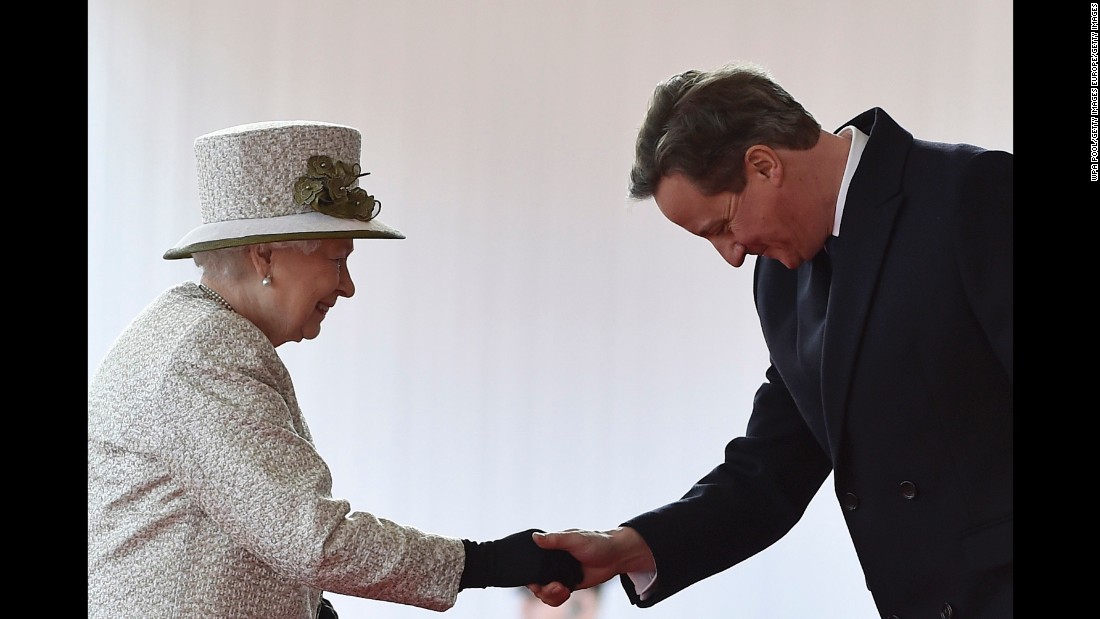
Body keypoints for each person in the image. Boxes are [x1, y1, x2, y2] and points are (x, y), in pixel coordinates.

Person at [530, 61, 1012, 618]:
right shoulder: (781, 279)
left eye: (723, 225)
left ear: (763, 165)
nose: (732, 254)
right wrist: (627, 547)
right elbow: (772, 469)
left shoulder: (974, 193)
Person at [88, 120, 581, 618]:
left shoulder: (191, 334)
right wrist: (489, 563)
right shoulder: (206, 351)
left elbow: (251, 525)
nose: (347, 286)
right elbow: (309, 536)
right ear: (265, 255)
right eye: (337, 259)